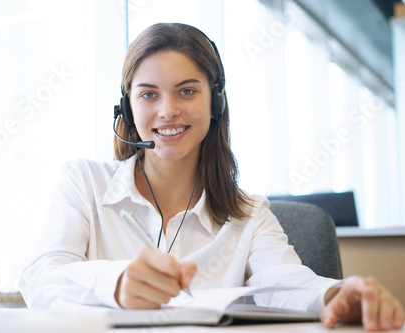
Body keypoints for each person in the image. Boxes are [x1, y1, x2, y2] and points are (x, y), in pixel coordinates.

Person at [20, 23, 404, 331]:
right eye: (149, 95)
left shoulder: (248, 214)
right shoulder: (84, 182)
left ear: (215, 102)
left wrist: (338, 293)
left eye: (186, 91)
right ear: (127, 107)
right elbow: (40, 279)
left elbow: (287, 283)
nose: (168, 111)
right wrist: (115, 282)